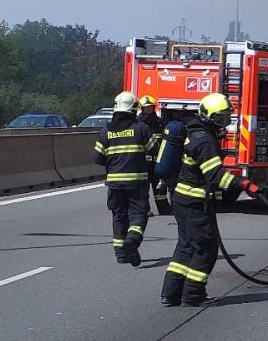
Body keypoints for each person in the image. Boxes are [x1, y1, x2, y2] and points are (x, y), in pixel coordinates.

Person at [161, 92, 245, 307]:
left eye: (227, 119)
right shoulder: (205, 141)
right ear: (208, 117)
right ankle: (193, 294)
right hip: (195, 202)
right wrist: (244, 184)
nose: (224, 125)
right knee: (205, 248)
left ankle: (171, 293)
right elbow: (215, 176)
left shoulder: (194, 133)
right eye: (221, 119)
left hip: (182, 199)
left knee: (186, 246)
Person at [94, 91, 156, 266]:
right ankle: (132, 240)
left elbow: (98, 158)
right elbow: (155, 150)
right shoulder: (141, 129)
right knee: (139, 214)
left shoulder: (105, 132)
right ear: (133, 109)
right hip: (137, 182)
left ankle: (120, 254)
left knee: (119, 216)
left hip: (114, 183)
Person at [137, 95, 168, 210]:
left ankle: (163, 208)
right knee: (143, 188)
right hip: (142, 162)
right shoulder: (138, 124)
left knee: (159, 186)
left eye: (150, 106)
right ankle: (144, 210)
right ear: (142, 108)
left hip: (157, 161)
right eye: (146, 107)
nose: (149, 109)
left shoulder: (159, 122)